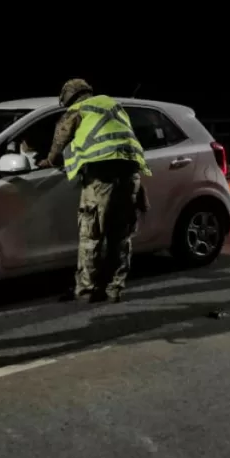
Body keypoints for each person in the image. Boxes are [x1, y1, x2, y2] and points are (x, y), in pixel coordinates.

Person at [37, 78, 151, 302]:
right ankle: (115, 288)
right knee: (121, 236)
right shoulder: (112, 104)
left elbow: (61, 137)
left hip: (101, 177)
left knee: (91, 233)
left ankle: (87, 289)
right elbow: (124, 142)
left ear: (69, 97)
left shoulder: (78, 109)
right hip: (130, 176)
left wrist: (49, 160)